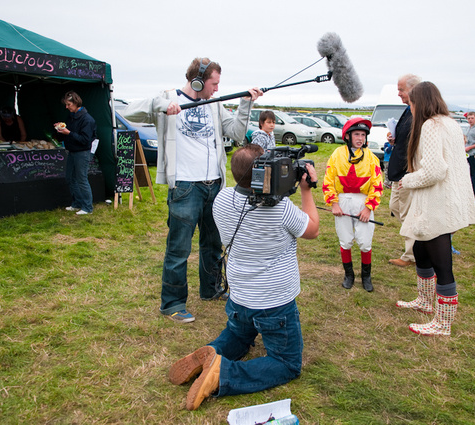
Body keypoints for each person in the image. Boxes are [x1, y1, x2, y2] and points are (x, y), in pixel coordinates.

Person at [168, 144, 319, 410]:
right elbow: (312, 229)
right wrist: (306, 190)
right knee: (287, 363)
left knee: (238, 337)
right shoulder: (282, 210)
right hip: (274, 303)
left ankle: (208, 355)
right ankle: (221, 375)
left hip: (240, 296)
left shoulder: (222, 199)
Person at [122, 58, 263, 323]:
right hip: (186, 187)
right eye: (214, 83)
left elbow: (235, 132)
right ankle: (172, 304)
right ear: (198, 81)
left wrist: (246, 104)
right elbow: (128, 112)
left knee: (212, 244)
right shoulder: (167, 99)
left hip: (215, 187)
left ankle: (210, 290)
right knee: (178, 249)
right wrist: (163, 106)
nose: (217, 89)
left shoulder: (214, 104)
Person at [395, 81, 475, 336]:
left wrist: (406, 180)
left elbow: (434, 170)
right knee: (420, 248)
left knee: (442, 263)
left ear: (419, 103)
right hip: (445, 198)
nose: (410, 108)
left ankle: (443, 323)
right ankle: (424, 300)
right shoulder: (449, 122)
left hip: (436, 201)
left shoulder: (431, 125)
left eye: (411, 103)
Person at [323, 118, 383, 292]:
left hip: (363, 201)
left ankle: (366, 277)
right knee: (345, 240)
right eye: (356, 134)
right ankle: (349, 275)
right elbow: (328, 181)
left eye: (363, 135)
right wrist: (334, 203)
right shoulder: (337, 154)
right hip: (342, 201)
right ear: (347, 136)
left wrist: (368, 207)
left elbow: (377, 185)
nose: (360, 138)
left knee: (365, 242)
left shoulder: (371, 157)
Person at [387, 74, 421, 267]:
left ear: (414, 89)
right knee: (395, 208)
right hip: (398, 170)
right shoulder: (409, 110)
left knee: (408, 213)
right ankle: (420, 241)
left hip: (408, 172)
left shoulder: (420, 113)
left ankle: (411, 255)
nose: (398, 93)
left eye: (401, 89)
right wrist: (395, 139)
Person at [55, 91, 96, 215]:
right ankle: (77, 203)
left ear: (76, 103)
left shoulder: (87, 119)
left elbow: (85, 140)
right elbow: (70, 131)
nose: (66, 107)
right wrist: (60, 128)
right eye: (66, 104)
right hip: (72, 151)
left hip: (82, 152)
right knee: (70, 178)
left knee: (82, 179)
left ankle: (88, 207)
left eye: (68, 104)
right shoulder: (72, 116)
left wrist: (68, 133)